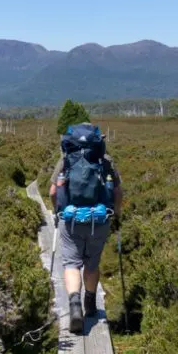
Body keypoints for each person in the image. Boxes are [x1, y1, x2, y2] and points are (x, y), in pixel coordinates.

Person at [49, 123, 123, 334]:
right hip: (99, 221)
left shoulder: (65, 160)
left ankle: (74, 307)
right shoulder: (105, 161)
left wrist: (58, 212)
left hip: (70, 220)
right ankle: (90, 303)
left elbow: (54, 192)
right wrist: (116, 215)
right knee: (92, 263)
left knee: (71, 263)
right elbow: (117, 193)